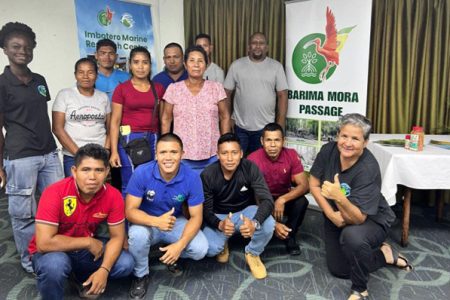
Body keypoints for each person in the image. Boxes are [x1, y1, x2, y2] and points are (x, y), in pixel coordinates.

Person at [309, 113, 413, 300]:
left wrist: (339, 198)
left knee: (352, 237)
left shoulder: (368, 168)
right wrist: (331, 214)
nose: (347, 143)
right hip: (337, 214)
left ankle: (360, 289)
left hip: (371, 218)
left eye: (355, 138)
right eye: (344, 136)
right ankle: (385, 255)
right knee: (340, 270)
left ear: (365, 142)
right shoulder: (328, 151)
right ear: (338, 135)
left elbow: (358, 219)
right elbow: (314, 183)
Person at [29, 144, 134, 300]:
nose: (92, 177)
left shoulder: (113, 195)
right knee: (55, 266)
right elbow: (44, 243)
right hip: (53, 251)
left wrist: (104, 270)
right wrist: (88, 242)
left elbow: (117, 237)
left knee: (126, 263)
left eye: (98, 170)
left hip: (84, 250)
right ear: (74, 171)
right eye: (85, 170)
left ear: (106, 172)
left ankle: (78, 277)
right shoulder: (54, 192)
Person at [0, 22, 63, 273]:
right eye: (16, 46)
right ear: (5, 48)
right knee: (24, 213)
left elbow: (41, 115)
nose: (22, 51)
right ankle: (30, 260)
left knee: (58, 205)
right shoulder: (2, 84)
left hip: (49, 152)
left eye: (27, 46)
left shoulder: (40, 80)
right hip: (20, 156)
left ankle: (57, 249)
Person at [125, 133, 208, 299]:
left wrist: (180, 245)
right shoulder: (142, 172)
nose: (168, 157)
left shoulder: (192, 177)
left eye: (174, 152)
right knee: (137, 235)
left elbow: (196, 217)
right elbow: (130, 211)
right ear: (156, 154)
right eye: (163, 152)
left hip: (174, 222)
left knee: (201, 249)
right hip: (147, 222)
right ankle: (141, 275)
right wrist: (156, 221)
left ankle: (170, 252)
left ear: (182, 154)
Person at [201, 133, 275, 279]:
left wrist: (254, 222)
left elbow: (267, 200)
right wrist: (219, 224)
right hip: (219, 216)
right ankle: (223, 243)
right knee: (210, 249)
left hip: (244, 213)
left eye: (234, 153)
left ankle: (253, 253)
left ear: (241, 154)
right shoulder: (208, 174)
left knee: (269, 223)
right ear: (217, 155)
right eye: (224, 153)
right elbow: (206, 210)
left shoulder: (250, 168)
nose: (229, 158)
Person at [161, 45, 231, 173]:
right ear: (185, 64)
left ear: (206, 64)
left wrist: (225, 145)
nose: (196, 64)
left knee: (210, 191)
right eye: (192, 60)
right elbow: (166, 118)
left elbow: (225, 116)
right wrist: (166, 147)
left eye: (200, 61)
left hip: (212, 155)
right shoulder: (173, 89)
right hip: (182, 155)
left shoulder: (216, 88)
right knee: (184, 192)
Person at [110, 46, 164, 197]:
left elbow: (163, 117)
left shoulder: (158, 88)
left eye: (145, 62)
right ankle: (127, 220)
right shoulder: (122, 89)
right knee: (130, 180)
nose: (140, 67)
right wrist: (114, 151)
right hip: (129, 139)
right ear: (130, 65)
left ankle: (148, 217)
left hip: (152, 138)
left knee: (153, 179)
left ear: (150, 65)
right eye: (136, 62)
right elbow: (114, 122)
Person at [248, 123, 309, 255]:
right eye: (268, 140)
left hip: (282, 197)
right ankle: (268, 232)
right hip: (261, 199)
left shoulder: (291, 155)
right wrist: (274, 223)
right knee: (250, 203)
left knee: (302, 202)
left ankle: (289, 236)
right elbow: (255, 195)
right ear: (262, 141)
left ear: (283, 141)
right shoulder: (253, 159)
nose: (273, 145)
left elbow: (304, 185)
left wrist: (282, 200)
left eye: (277, 140)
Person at [223, 32, 288, 154]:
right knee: (238, 164)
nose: (258, 46)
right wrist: (228, 117)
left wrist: (280, 123)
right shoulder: (236, 65)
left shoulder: (276, 67)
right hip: (240, 127)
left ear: (267, 47)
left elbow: (282, 95)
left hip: (265, 128)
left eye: (261, 43)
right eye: (254, 43)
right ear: (248, 47)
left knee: (259, 167)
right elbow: (226, 93)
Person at [52, 58, 111, 177]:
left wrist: (106, 150)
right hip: (73, 156)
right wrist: (80, 155)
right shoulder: (65, 95)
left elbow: (110, 128)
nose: (85, 76)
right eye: (81, 72)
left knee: (97, 192)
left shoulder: (103, 97)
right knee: (73, 193)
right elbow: (57, 129)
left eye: (90, 72)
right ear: (75, 75)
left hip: (99, 156)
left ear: (96, 75)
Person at [95, 38, 130, 191]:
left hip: (121, 128)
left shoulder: (126, 77)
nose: (107, 57)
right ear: (96, 55)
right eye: (102, 53)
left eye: (110, 54)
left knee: (119, 168)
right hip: (98, 129)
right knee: (99, 169)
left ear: (116, 56)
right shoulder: (90, 77)